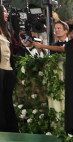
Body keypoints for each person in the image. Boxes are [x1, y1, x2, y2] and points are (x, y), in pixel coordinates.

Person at [0, 5, 19, 133]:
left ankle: (11, 129)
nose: (7, 14)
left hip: (8, 70)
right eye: (4, 12)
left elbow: (16, 48)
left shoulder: (6, 31)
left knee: (8, 101)